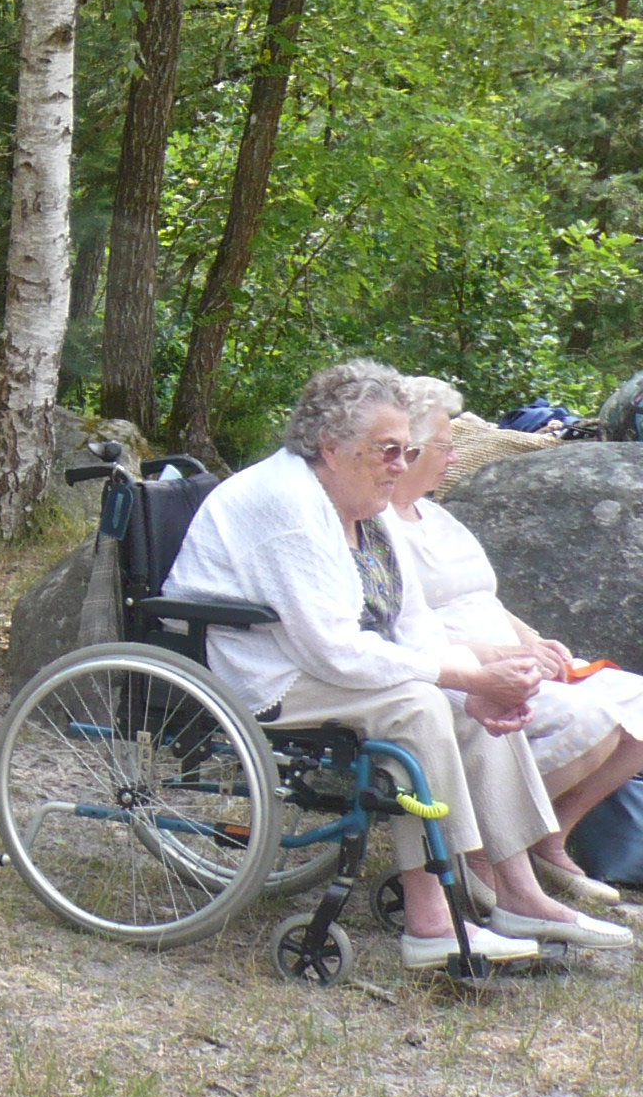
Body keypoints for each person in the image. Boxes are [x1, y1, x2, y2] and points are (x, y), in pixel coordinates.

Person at [164, 358, 627, 967]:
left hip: (324, 665)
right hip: (262, 672)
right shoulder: (286, 505)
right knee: (420, 704)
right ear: (331, 447)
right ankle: (430, 917)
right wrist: (464, 677)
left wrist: (480, 687)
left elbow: (413, 627)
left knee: (463, 703)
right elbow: (330, 650)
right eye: (387, 450)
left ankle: (519, 893)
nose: (400, 466)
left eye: (407, 451)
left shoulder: (369, 508)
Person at [390, 376, 643, 912]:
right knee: (591, 716)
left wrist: (535, 641)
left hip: (508, 648)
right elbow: (408, 624)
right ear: (406, 449)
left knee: (637, 702)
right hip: (463, 663)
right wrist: (502, 657)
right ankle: (485, 847)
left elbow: (485, 597)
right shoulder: (377, 525)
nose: (454, 455)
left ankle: (549, 838)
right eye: (444, 444)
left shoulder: (436, 516)